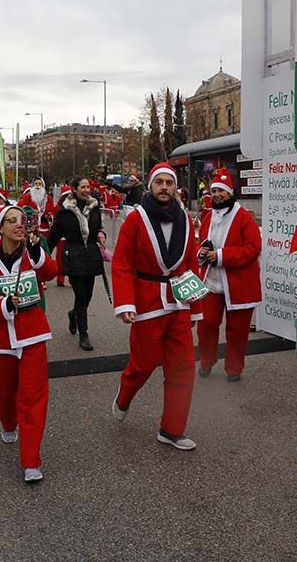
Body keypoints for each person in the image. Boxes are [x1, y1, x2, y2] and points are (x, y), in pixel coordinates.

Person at [111, 162, 201, 451]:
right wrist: (125, 302)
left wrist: (195, 307)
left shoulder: (186, 219)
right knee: (143, 365)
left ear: (176, 188)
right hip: (147, 302)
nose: (164, 187)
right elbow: (122, 263)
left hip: (179, 302)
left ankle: (171, 429)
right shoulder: (135, 219)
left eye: (169, 183)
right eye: (159, 182)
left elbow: (189, 263)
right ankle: (124, 396)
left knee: (184, 367)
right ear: (150, 186)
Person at [0, 204, 58, 483]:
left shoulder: (33, 253)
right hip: (0, 340)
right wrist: (3, 305)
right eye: (12, 221)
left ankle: (31, 460)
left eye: (22, 221)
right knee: (2, 391)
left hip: (32, 335)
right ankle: (8, 424)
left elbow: (51, 272)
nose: (19, 225)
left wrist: (37, 253)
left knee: (33, 397)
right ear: (0, 228)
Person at [195, 168, 261, 381]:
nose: (216, 195)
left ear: (230, 193)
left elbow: (253, 248)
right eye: (214, 191)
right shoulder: (207, 216)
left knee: (237, 331)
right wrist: (202, 251)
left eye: (221, 191)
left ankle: (234, 369)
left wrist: (221, 256)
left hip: (238, 284)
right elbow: (199, 242)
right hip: (211, 283)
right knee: (206, 326)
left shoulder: (244, 218)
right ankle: (206, 361)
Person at [47, 177, 106, 351]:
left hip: (92, 256)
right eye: (83, 187)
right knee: (81, 295)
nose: (87, 190)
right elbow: (54, 236)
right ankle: (84, 334)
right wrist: (42, 256)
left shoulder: (95, 207)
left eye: (88, 187)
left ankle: (74, 314)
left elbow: (98, 228)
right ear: (74, 189)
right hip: (73, 256)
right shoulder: (65, 211)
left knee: (87, 296)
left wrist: (101, 235)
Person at [18, 177, 55, 245]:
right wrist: (32, 213)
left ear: (43, 185)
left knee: (44, 248)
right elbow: (22, 210)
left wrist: (50, 216)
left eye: (39, 184)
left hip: (44, 228)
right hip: (31, 228)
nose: (37, 185)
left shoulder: (48, 198)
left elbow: (53, 211)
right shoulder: (28, 197)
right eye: (36, 184)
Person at [52, 184, 71, 287]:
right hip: (61, 237)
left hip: (72, 236)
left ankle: (72, 278)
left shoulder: (75, 206)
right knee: (60, 258)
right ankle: (60, 278)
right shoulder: (58, 208)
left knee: (72, 258)